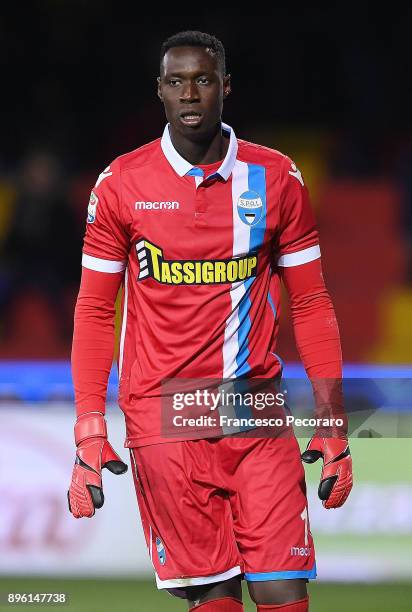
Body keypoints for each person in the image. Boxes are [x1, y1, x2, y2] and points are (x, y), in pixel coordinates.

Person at [68, 31, 353, 612]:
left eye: (203, 80)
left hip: (254, 409)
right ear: (160, 93)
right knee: (216, 601)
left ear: (226, 87)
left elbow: (313, 304)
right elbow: (96, 310)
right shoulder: (121, 184)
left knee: (285, 597)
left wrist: (331, 420)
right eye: (177, 82)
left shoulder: (275, 179)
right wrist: (89, 428)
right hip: (162, 415)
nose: (190, 94)